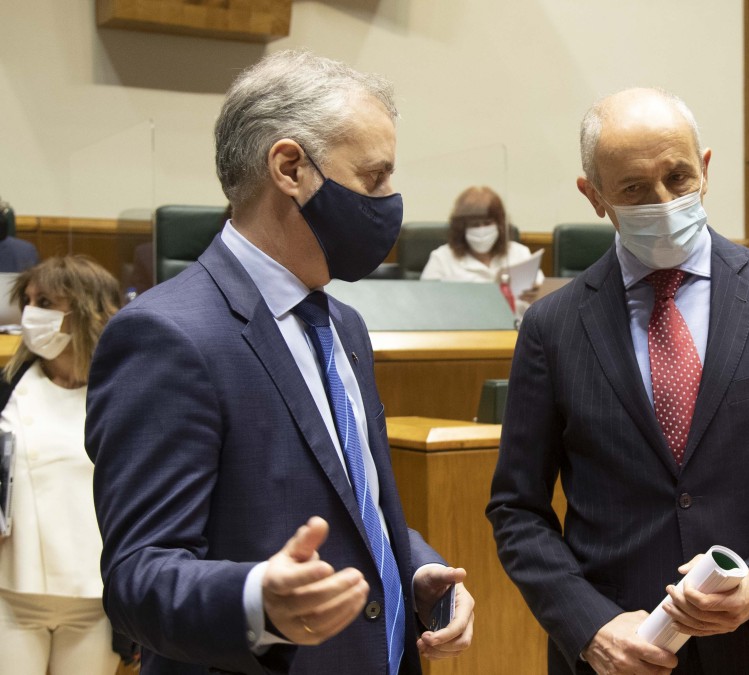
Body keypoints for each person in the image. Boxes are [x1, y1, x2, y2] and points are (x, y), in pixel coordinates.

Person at [85, 50, 475, 675]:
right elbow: (137, 578)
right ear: (290, 167)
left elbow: (359, 505)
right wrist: (255, 603)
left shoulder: (343, 324)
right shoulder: (165, 335)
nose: (390, 200)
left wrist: (417, 564)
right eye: (374, 178)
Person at [487, 87, 749, 675]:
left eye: (678, 177)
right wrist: (588, 624)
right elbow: (517, 509)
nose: (662, 200)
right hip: (617, 653)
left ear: (704, 170)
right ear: (594, 196)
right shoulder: (553, 325)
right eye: (632, 189)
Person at [0, 256, 121, 675]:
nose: (31, 314)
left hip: (96, 602)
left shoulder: (124, 395)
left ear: (86, 311)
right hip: (10, 597)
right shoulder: (8, 389)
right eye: (28, 300)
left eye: (47, 302)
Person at [420, 186, 543, 314]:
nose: (482, 230)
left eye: (487, 223)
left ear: (500, 224)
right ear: (461, 228)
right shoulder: (442, 258)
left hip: (516, 330)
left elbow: (545, 296)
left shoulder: (520, 253)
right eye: (474, 225)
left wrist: (536, 294)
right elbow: (424, 304)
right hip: (463, 330)